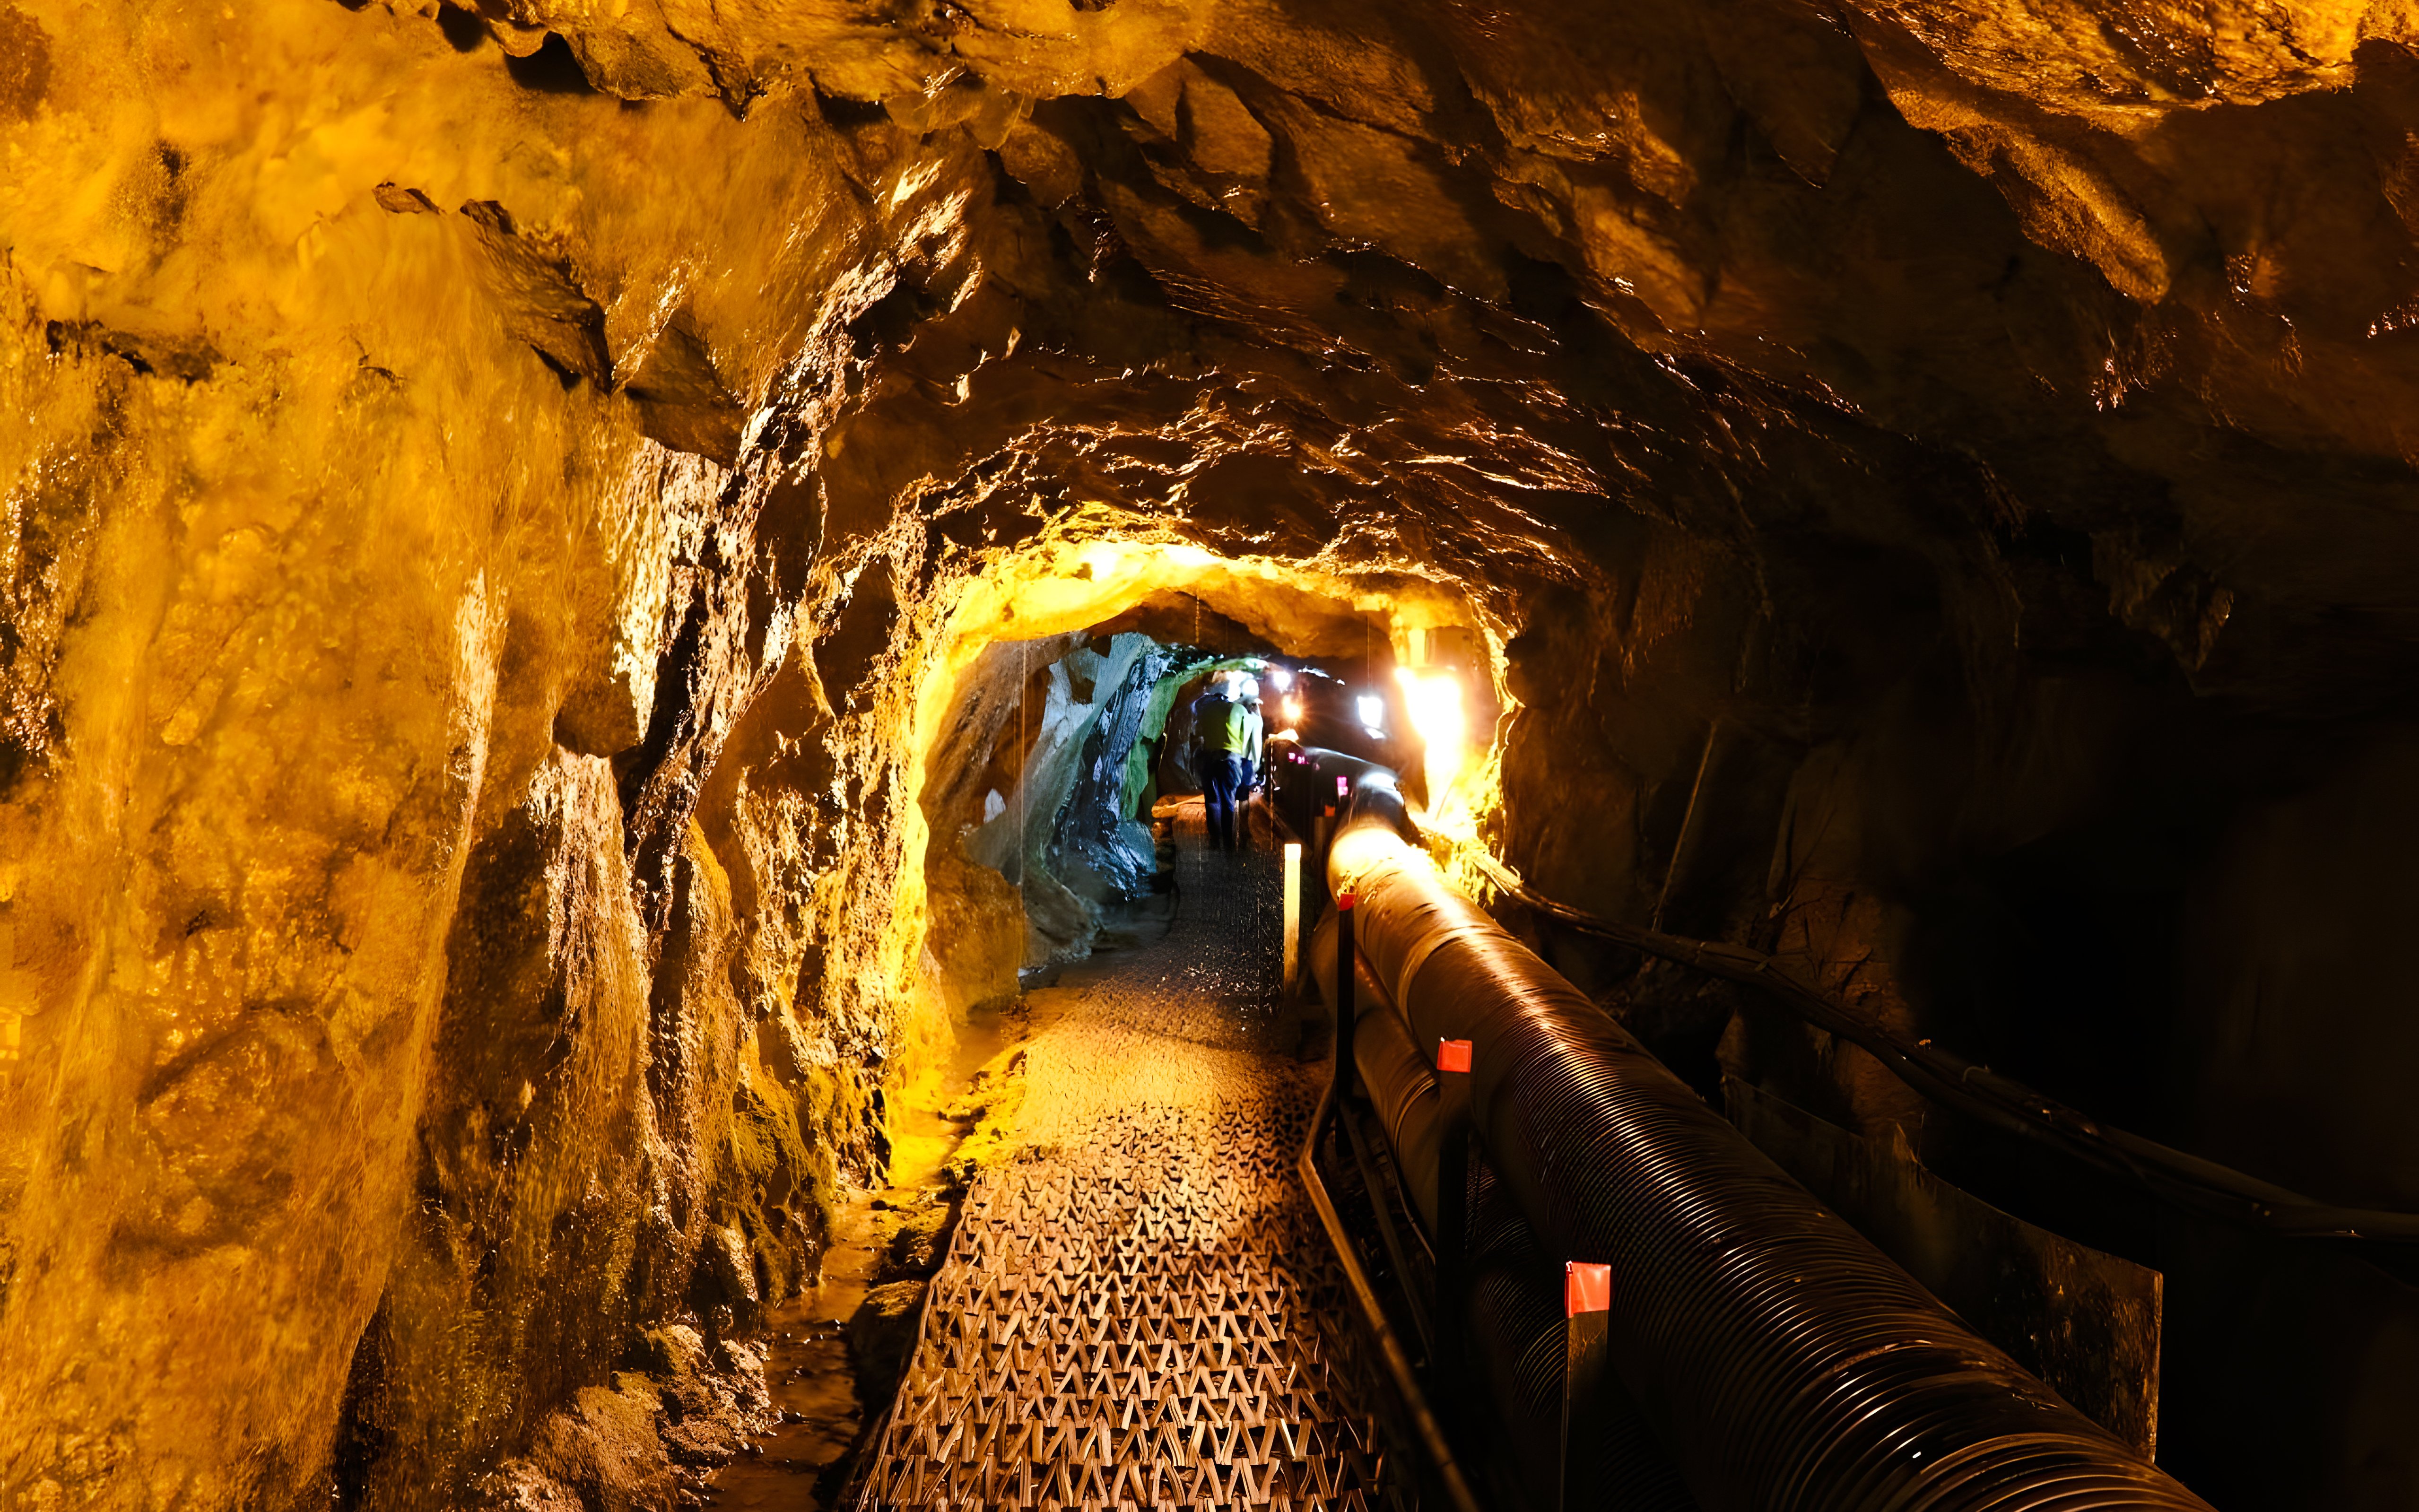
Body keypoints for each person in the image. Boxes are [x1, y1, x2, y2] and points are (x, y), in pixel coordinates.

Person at [1191, 671, 1264, 854]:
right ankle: (1230, 845)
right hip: (1230, 759)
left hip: (1209, 759)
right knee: (1228, 801)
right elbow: (1246, 735)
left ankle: (1215, 842)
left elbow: (1198, 730)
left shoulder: (1205, 709)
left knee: (1211, 801)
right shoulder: (1238, 710)